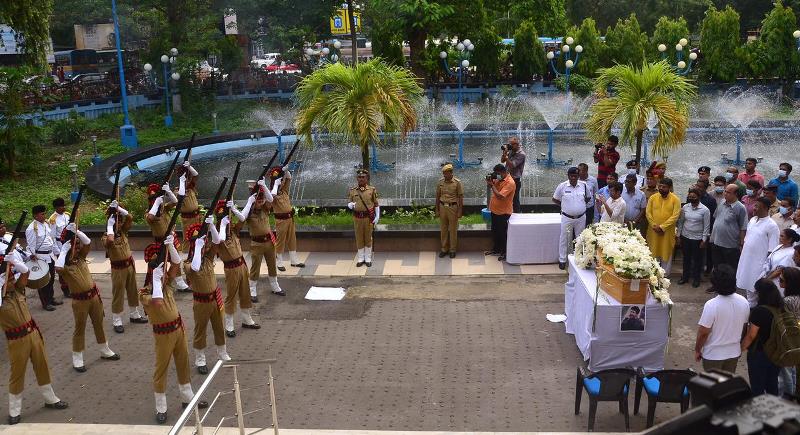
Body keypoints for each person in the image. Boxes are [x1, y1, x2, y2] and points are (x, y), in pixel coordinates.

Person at [139, 249, 209, 424]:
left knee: (183, 363)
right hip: (163, 335)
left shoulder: (166, 283)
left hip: (178, 329)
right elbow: (157, 302)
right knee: (161, 369)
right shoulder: (145, 293)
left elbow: (176, 265)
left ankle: (187, 398)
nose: (165, 275)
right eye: (161, 273)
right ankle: (161, 407)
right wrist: (156, 280)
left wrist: (170, 247)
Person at [0, 252, 69, 425]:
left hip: (33, 334)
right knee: (17, 374)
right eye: (8, 281)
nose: (12, 282)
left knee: (42, 366)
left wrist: (14, 261)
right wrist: (2, 279)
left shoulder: (18, 290)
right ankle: (14, 410)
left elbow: (25, 274)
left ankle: (50, 398)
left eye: (11, 280)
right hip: (17, 341)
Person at [55, 224, 120, 372]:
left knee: (99, 323)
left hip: (94, 297)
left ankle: (104, 349)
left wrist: (76, 231)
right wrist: (64, 250)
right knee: (80, 328)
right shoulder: (64, 265)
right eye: (75, 245)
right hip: (80, 301)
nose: (77, 247)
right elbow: (58, 268)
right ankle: (77, 358)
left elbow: (88, 242)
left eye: (78, 245)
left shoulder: (81, 257)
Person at [184, 222, 231, 375]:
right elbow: (195, 268)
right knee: (201, 330)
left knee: (219, 326)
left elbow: (218, 242)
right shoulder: (188, 264)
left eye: (204, 244)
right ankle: (200, 358)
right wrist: (197, 246)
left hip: (214, 298)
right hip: (201, 302)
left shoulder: (208, 258)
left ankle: (222, 352)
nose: (205, 246)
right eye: (201, 244)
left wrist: (211, 226)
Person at [212, 199, 262, 337]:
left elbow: (242, 218)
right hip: (231, 268)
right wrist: (222, 225)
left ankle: (247, 319)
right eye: (225, 217)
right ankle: (229, 324)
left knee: (245, 293)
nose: (228, 219)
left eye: (228, 217)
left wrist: (233, 210)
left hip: (242, 264)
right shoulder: (216, 232)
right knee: (231, 296)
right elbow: (220, 240)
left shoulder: (233, 229)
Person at [694, 264, 750, 373]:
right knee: (727, 386)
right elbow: (744, 328)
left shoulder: (711, 305)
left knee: (713, 387)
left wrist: (697, 350)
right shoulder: (744, 302)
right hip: (733, 353)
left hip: (713, 355)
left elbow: (703, 333)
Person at [104, 200, 147, 333]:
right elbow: (110, 241)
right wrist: (110, 226)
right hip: (118, 269)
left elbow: (130, 217)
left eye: (120, 221)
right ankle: (117, 320)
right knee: (118, 293)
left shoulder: (123, 232)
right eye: (117, 221)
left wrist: (119, 209)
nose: (120, 223)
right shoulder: (106, 236)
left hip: (129, 265)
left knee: (133, 290)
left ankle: (134, 314)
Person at [241, 177, 284, 300]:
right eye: (258, 199)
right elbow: (242, 217)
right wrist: (250, 203)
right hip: (257, 244)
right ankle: (252, 290)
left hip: (269, 242)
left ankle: (275, 287)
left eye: (261, 198)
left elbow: (271, 198)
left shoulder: (265, 208)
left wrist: (264, 186)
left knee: (272, 264)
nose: (260, 201)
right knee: (255, 267)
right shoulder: (249, 211)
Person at [146, 182, 191, 293]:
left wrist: (168, 191)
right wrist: (156, 203)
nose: (155, 201)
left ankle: (179, 283)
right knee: (160, 264)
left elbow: (176, 202)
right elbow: (151, 218)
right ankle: (158, 285)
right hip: (160, 243)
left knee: (176, 261)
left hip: (171, 239)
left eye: (156, 199)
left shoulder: (164, 209)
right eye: (153, 199)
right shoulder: (148, 213)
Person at [741, 278, 784, 395]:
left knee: (757, 386)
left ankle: (758, 410)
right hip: (777, 351)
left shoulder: (759, 311)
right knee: (772, 383)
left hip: (760, 353)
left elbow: (751, 335)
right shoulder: (782, 306)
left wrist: (741, 348)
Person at [737, 197, 780, 305]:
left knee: (754, 290)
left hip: (758, 264)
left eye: (757, 206)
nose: (754, 208)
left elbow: (772, 251)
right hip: (746, 259)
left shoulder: (772, 226)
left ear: (765, 208)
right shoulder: (752, 220)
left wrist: (765, 269)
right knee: (746, 287)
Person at [553, 167, 590, 270]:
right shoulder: (562, 186)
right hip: (567, 217)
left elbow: (588, 198)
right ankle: (562, 260)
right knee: (564, 238)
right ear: (568, 176)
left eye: (575, 176)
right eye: (571, 176)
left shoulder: (584, 185)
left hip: (581, 217)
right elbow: (555, 199)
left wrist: (578, 206)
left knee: (580, 238)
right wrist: (565, 206)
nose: (573, 178)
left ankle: (580, 259)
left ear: (578, 176)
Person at [271, 167, 305, 272]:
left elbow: (289, 178)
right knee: (280, 241)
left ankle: (294, 260)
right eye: (280, 181)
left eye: (281, 181)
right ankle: (279, 262)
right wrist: (276, 184)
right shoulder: (273, 192)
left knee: (292, 239)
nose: (282, 182)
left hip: (290, 219)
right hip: (281, 220)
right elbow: (272, 196)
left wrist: (285, 170)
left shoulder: (284, 191)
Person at [25, 205, 57, 311]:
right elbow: (30, 245)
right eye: (42, 214)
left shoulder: (46, 224)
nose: (44, 215)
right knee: (43, 282)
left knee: (51, 278)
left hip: (49, 255)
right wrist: (33, 256)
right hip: (40, 257)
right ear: (35, 215)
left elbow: (50, 238)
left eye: (44, 213)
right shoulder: (32, 228)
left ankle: (51, 298)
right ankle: (46, 303)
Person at [646, 178, 681, 273]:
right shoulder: (653, 197)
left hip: (667, 232)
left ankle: (664, 276)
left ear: (669, 187)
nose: (661, 188)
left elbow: (675, 216)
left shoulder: (675, 199)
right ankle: (652, 274)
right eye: (660, 186)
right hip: (653, 231)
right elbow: (648, 213)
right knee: (653, 251)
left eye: (664, 187)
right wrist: (654, 225)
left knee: (666, 252)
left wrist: (662, 227)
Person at [710, 184, 749, 270]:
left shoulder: (740, 208)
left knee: (730, 269)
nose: (725, 194)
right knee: (717, 267)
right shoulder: (721, 202)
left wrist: (741, 243)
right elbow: (716, 218)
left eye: (728, 192)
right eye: (725, 191)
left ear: (735, 194)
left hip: (730, 245)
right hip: (716, 242)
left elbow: (743, 227)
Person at [677, 188, 711, 287]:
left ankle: (696, 279)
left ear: (699, 197)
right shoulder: (685, 208)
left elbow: (706, 226)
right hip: (686, 236)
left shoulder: (705, 210)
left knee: (697, 260)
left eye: (693, 197)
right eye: (690, 197)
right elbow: (681, 222)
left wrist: (704, 240)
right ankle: (685, 277)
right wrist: (678, 235)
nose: (691, 199)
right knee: (686, 258)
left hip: (698, 239)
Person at [348, 169, 380, 267]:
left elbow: (376, 204)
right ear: (357, 178)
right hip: (357, 218)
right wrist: (350, 205)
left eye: (363, 177)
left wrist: (377, 216)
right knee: (359, 238)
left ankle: (368, 258)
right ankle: (361, 258)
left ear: (367, 178)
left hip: (368, 218)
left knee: (368, 238)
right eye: (359, 177)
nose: (361, 179)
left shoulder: (372, 190)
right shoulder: (353, 190)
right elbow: (349, 202)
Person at [486, 164, 516, 262]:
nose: (496, 175)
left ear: (503, 172)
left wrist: (491, 185)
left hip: (504, 213)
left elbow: (500, 196)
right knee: (495, 231)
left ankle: (505, 253)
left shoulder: (510, 182)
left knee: (503, 234)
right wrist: (490, 181)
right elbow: (494, 185)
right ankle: (496, 249)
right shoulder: (499, 178)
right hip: (495, 210)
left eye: (497, 174)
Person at [435, 163, 464, 258]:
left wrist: (460, 211)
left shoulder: (457, 182)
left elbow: (460, 197)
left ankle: (452, 249)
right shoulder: (440, 182)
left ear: (451, 173)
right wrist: (437, 209)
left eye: (446, 173)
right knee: (443, 229)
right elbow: (437, 196)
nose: (444, 175)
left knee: (453, 229)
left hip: (453, 207)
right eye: (443, 173)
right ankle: (444, 249)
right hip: (442, 206)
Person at [779, 267, 800, 395]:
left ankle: (789, 396)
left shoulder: (787, 301)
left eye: (781, 280)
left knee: (788, 373)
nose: (779, 282)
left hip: (791, 341)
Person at [48, 198, 71, 299]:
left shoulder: (67, 215)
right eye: (61, 206)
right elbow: (52, 237)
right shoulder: (53, 219)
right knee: (62, 268)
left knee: (71, 265)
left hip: (69, 242)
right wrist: (57, 251)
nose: (63, 207)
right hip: (60, 245)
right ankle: (65, 289)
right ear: (56, 207)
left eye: (64, 205)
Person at [176, 162, 201, 252]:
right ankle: (186, 256)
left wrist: (189, 167)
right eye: (185, 179)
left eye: (187, 178)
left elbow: (196, 175)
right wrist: (181, 182)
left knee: (198, 236)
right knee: (188, 238)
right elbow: (181, 195)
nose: (188, 180)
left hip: (196, 217)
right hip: (187, 219)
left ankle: (197, 253)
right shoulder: (178, 191)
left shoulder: (190, 188)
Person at [501, 137, 525, 213]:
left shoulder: (521, 154)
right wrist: (504, 153)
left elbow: (512, 165)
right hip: (507, 178)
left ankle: (517, 215)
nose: (509, 146)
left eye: (511, 145)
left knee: (515, 199)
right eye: (509, 144)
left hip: (515, 180)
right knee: (506, 197)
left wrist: (507, 157)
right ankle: (507, 213)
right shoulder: (511, 151)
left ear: (516, 145)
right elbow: (502, 161)